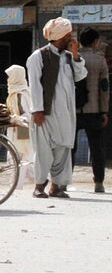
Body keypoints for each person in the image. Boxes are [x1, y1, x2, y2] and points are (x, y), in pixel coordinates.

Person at [25, 18, 86, 199]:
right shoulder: (38, 56)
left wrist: (76, 55)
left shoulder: (68, 57)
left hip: (66, 114)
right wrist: (37, 110)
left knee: (63, 148)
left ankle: (57, 186)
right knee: (43, 150)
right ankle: (39, 186)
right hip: (46, 112)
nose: (71, 37)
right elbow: (34, 85)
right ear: (61, 36)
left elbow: (81, 76)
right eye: (69, 34)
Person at [78, 28, 108, 193]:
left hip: (74, 111)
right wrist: (104, 111)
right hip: (94, 110)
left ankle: (63, 182)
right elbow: (104, 88)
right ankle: (99, 182)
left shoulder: (71, 58)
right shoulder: (99, 60)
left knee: (70, 147)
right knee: (97, 148)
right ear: (95, 41)